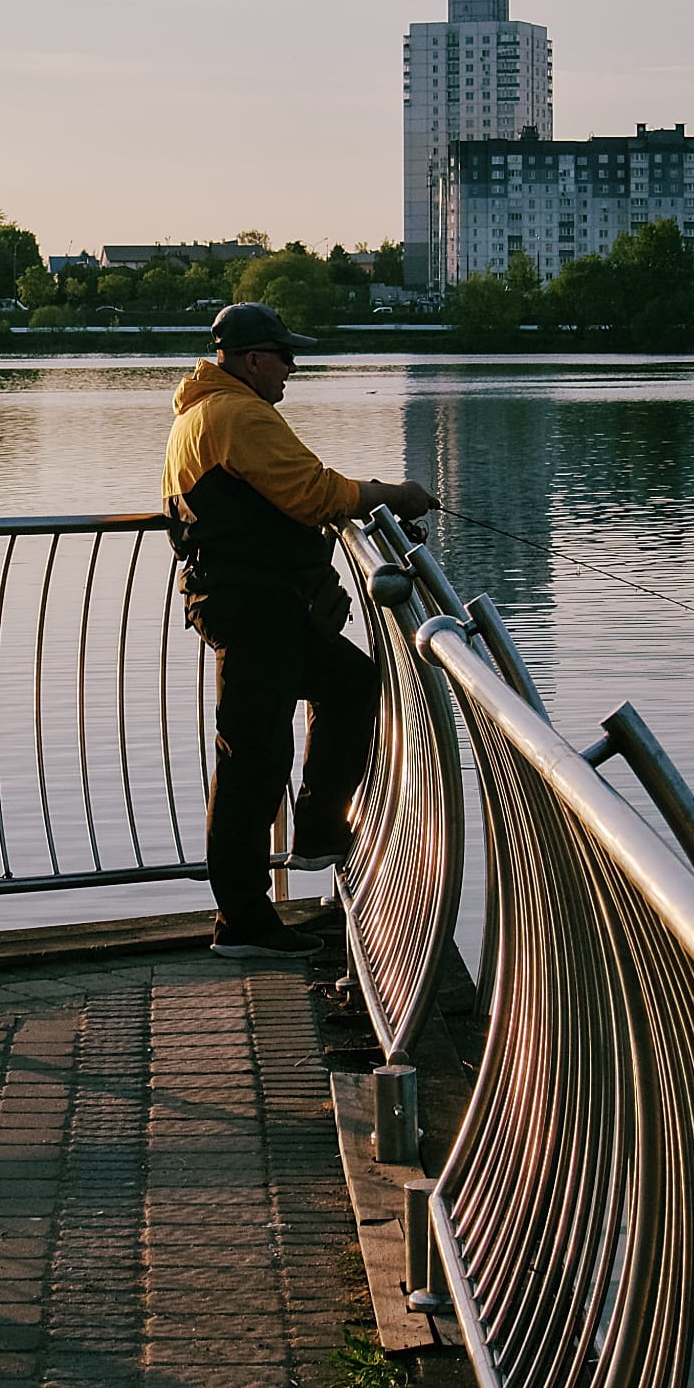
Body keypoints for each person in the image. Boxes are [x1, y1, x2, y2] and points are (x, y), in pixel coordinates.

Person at [162, 301, 437, 959]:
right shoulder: (237, 414)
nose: (293, 367)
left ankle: (318, 832)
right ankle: (244, 923)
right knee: (251, 758)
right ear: (254, 358)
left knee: (347, 681)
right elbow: (313, 492)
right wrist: (390, 494)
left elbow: (282, 498)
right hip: (250, 606)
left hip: (255, 602)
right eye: (285, 356)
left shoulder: (208, 413)